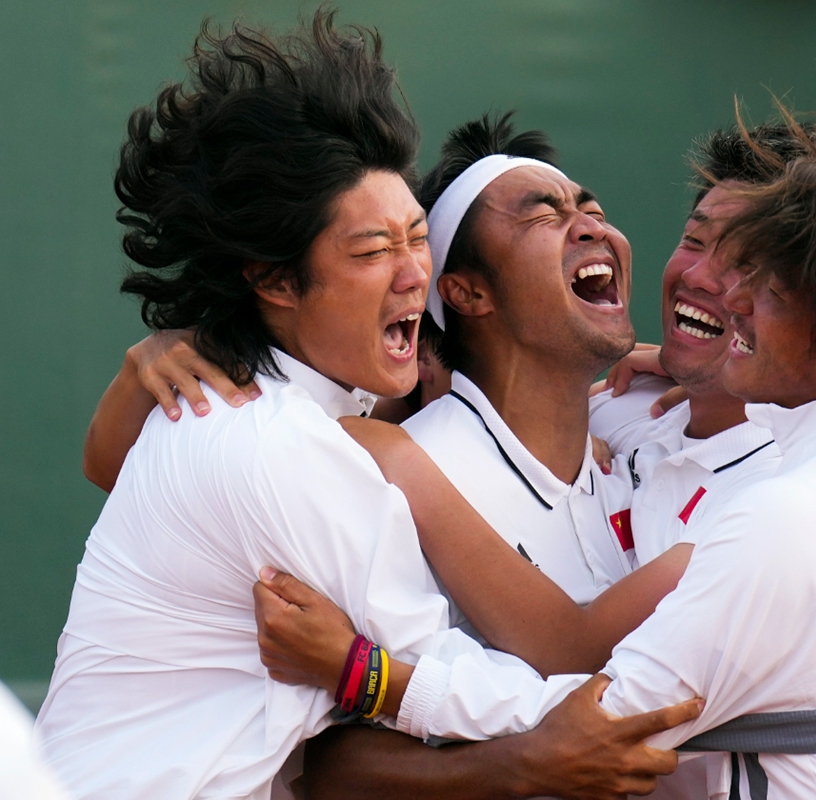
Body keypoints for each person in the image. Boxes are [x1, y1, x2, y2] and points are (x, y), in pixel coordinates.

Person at [251, 86, 816, 799]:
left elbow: (590, 718)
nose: (737, 293)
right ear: (465, 292)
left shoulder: (788, 514)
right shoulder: (636, 422)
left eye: (773, 282)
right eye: (701, 241)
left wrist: (372, 676)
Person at [36, 14, 697, 800]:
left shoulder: (330, 411)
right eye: (371, 251)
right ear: (276, 282)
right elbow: (448, 679)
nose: (411, 271)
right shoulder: (294, 444)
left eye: (414, 239)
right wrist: (648, 703)